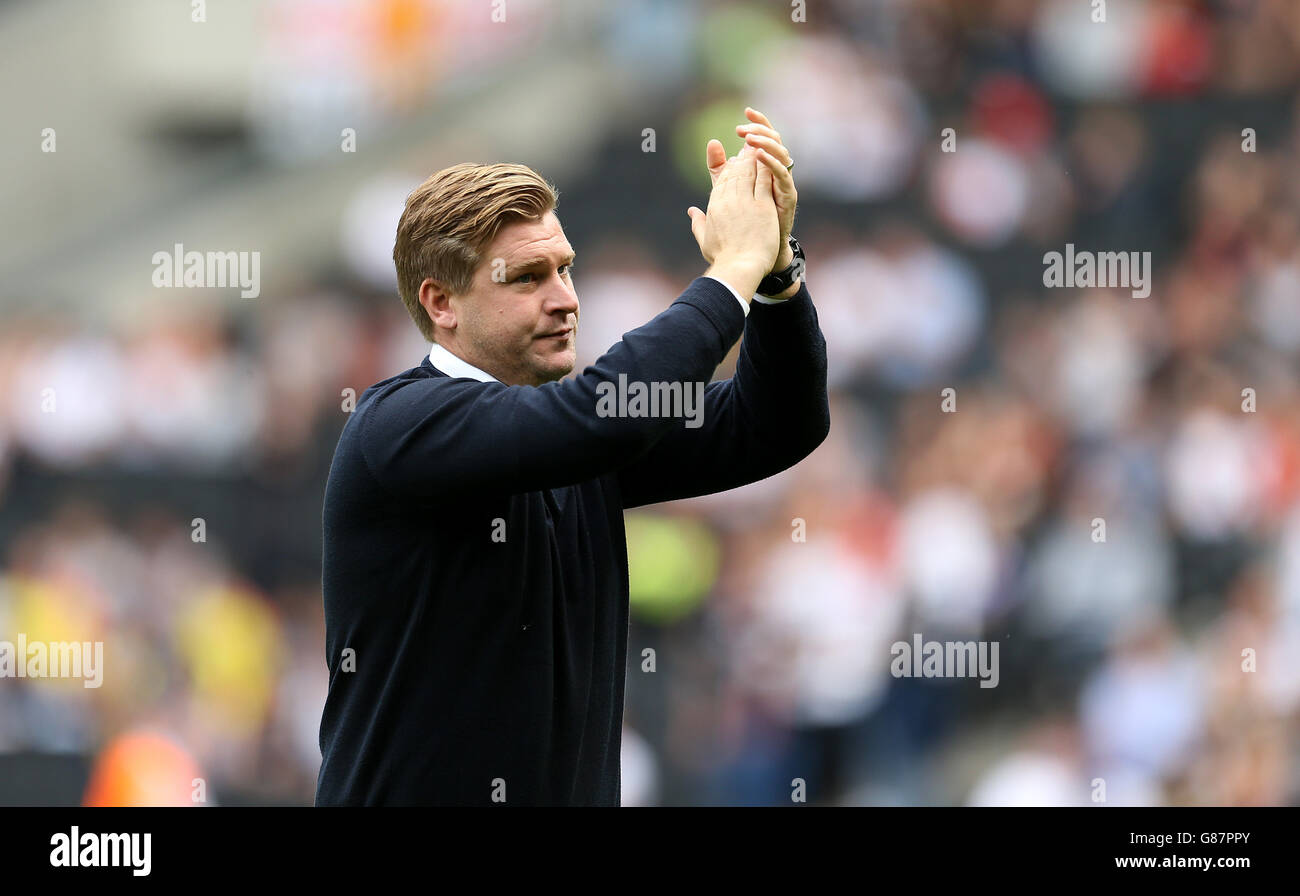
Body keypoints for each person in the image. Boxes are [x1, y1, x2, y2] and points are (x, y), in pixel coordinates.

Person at [315, 109, 829, 805]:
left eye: (565, 269)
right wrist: (731, 268)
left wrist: (774, 277)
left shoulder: (573, 438)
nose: (565, 299)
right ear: (441, 304)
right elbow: (599, 418)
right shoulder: (399, 424)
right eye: (527, 278)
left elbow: (777, 424)